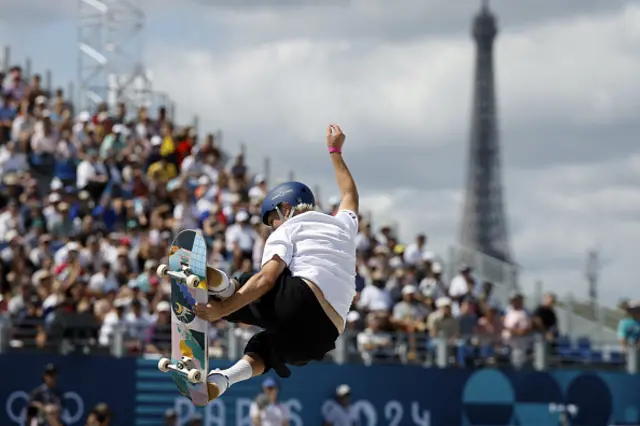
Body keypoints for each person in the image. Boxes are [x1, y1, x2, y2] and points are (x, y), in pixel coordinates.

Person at [194, 124, 359, 403]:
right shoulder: (342, 227)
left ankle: (221, 286)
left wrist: (224, 310)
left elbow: (266, 280)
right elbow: (349, 196)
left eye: (272, 220)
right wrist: (335, 151)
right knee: (267, 349)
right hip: (325, 335)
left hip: (300, 298)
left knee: (250, 281)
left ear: (285, 208)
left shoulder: (288, 229)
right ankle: (223, 380)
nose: (273, 227)